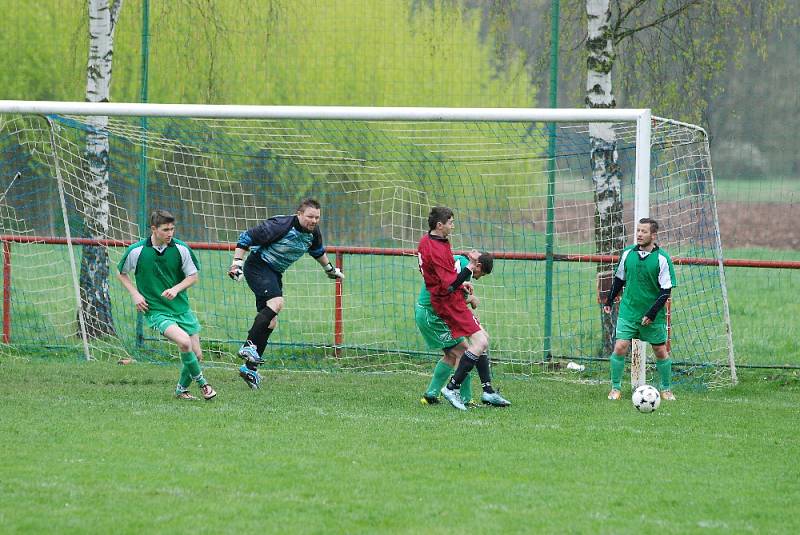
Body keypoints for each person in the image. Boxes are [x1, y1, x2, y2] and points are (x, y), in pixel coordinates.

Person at [228, 198, 344, 389]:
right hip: (258, 266)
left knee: (271, 320)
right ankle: (248, 346)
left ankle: (250, 369)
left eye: (317, 217)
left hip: (274, 273)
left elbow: (317, 251)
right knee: (277, 302)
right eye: (309, 217)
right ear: (299, 214)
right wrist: (237, 264)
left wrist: (330, 270)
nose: (313, 221)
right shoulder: (280, 225)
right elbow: (246, 237)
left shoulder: (313, 232)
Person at [417, 206, 510, 410]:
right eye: (450, 222)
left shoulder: (432, 242)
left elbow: (448, 281)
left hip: (442, 303)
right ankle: (455, 391)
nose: (453, 225)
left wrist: (462, 286)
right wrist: (469, 268)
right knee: (470, 349)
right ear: (439, 225)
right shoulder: (439, 250)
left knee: (472, 345)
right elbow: (447, 285)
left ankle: (482, 392)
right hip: (437, 309)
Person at [117, 209, 216, 401]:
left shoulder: (181, 249)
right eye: (165, 229)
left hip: (181, 308)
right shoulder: (137, 251)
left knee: (197, 354)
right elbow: (121, 273)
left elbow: (193, 277)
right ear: (154, 229)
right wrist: (135, 294)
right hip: (156, 310)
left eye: (172, 229)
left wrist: (176, 289)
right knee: (184, 343)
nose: (170, 233)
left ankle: (181, 390)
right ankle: (204, 385)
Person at [603, 217, 677, 401]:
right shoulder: (628, 253)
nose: (639, 234)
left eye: (644, 231)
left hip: (653, 314)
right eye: (637, 230)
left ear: (653, 235)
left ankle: (666, 389)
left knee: (660, 351)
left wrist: (651, 314)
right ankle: (615, 388)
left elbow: (665, 291)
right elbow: (619, 279)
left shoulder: (662, 259)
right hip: (629, 310)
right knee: (620, 347)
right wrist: (609, 300)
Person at [417, 251, 493, 408]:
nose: (479, 277)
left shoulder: (459, 262)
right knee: (465, 353)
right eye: (482, 274)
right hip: (431, 315)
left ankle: (431, 395)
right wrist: (470, 299)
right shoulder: (465, 267)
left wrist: (465, 295)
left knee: (451, 356)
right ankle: (465, 399)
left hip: (433, 313)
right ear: (477, 266)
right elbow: (446, 297)